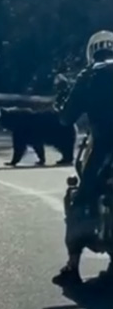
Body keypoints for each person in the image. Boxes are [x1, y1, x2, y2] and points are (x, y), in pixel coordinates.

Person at [52, 30, 113, 285]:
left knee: (81, 196)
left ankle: (73, 264)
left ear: (92, 52)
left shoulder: (88, 75)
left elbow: (66, 118)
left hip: (102, 144)